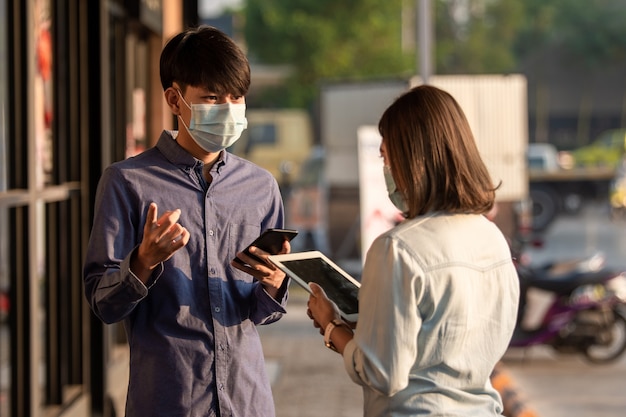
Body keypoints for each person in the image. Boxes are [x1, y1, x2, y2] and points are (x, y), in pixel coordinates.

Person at [83, 25, 291, 417]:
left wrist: (275, 285)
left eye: (237, 97)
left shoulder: (261, 187)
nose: (228, 108)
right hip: (169, 400)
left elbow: (262, 312)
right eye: (212, 97)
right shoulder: (128, 182)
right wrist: (142, 262)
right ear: (174, 99)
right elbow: (103, 303)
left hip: (247, 401)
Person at [306, 85, 520, 416]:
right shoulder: (493, 240)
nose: (385, 168)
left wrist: (332, 326)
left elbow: (380, 373)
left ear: (410, 159)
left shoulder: (397, 249)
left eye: (385, 155)